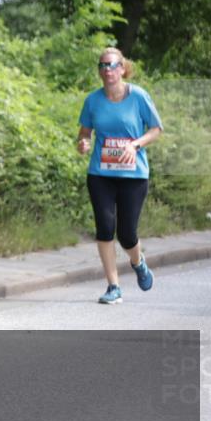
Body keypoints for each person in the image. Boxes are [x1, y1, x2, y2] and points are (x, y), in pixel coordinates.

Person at [77, 47, 163, 304]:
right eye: (103, 65)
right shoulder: (92, 101)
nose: (107, 70)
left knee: (126, 234)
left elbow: (156, 130)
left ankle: (138, 263)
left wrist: (134, 145)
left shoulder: (138, 96)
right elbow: (85, 133)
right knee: (105, 227)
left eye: (112, 65)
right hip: (100, 174)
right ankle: (113, 286)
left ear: (122, 68)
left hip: (133, 176)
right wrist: (83, 143)